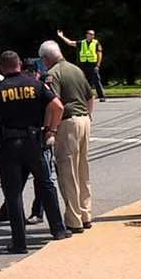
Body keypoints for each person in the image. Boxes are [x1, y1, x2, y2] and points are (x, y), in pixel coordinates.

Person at [0, 51, 71, 254]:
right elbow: (58, 107)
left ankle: (19, 243)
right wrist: (51, 130)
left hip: (9, 145)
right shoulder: (36, 84)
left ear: (2, 68)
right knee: (45, 184)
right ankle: (58, 230)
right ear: (19, 64)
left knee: (13, 193)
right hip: (33, 141)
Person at [39, 40, 95, 234]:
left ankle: (74, 219)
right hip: (84, 120)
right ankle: (86, 213)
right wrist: (89, 117)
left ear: (46, 58)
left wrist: (50, 129)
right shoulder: (76, 69)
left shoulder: (53, 74)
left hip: (67, 123)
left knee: (67, 172)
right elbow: (90, 96)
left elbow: (55, 105)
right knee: (82, 170)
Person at [0, 59, 48, 225]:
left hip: (39, 135)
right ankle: (7, 209)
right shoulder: (26, 85)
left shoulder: (41, 85)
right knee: (17, 179)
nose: (28, 76)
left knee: (41, 180)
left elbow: (54, 107)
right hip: (25, 138)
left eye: (31, 72)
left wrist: (50, 131)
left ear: (37, 73)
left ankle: (38, 212)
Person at [57, 29, 106, 101]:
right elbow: (70, 43)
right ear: (87, 35)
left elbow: (99, 54)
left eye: (93, 34)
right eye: (90, 34)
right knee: (83, 81)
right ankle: (87, 97)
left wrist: (98, 65)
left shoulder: (96, 43)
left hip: (93, 65)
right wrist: (61, 36)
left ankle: (102, 96)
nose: (92, 36)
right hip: (83, 65)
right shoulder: (82, 43)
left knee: (96, 80)